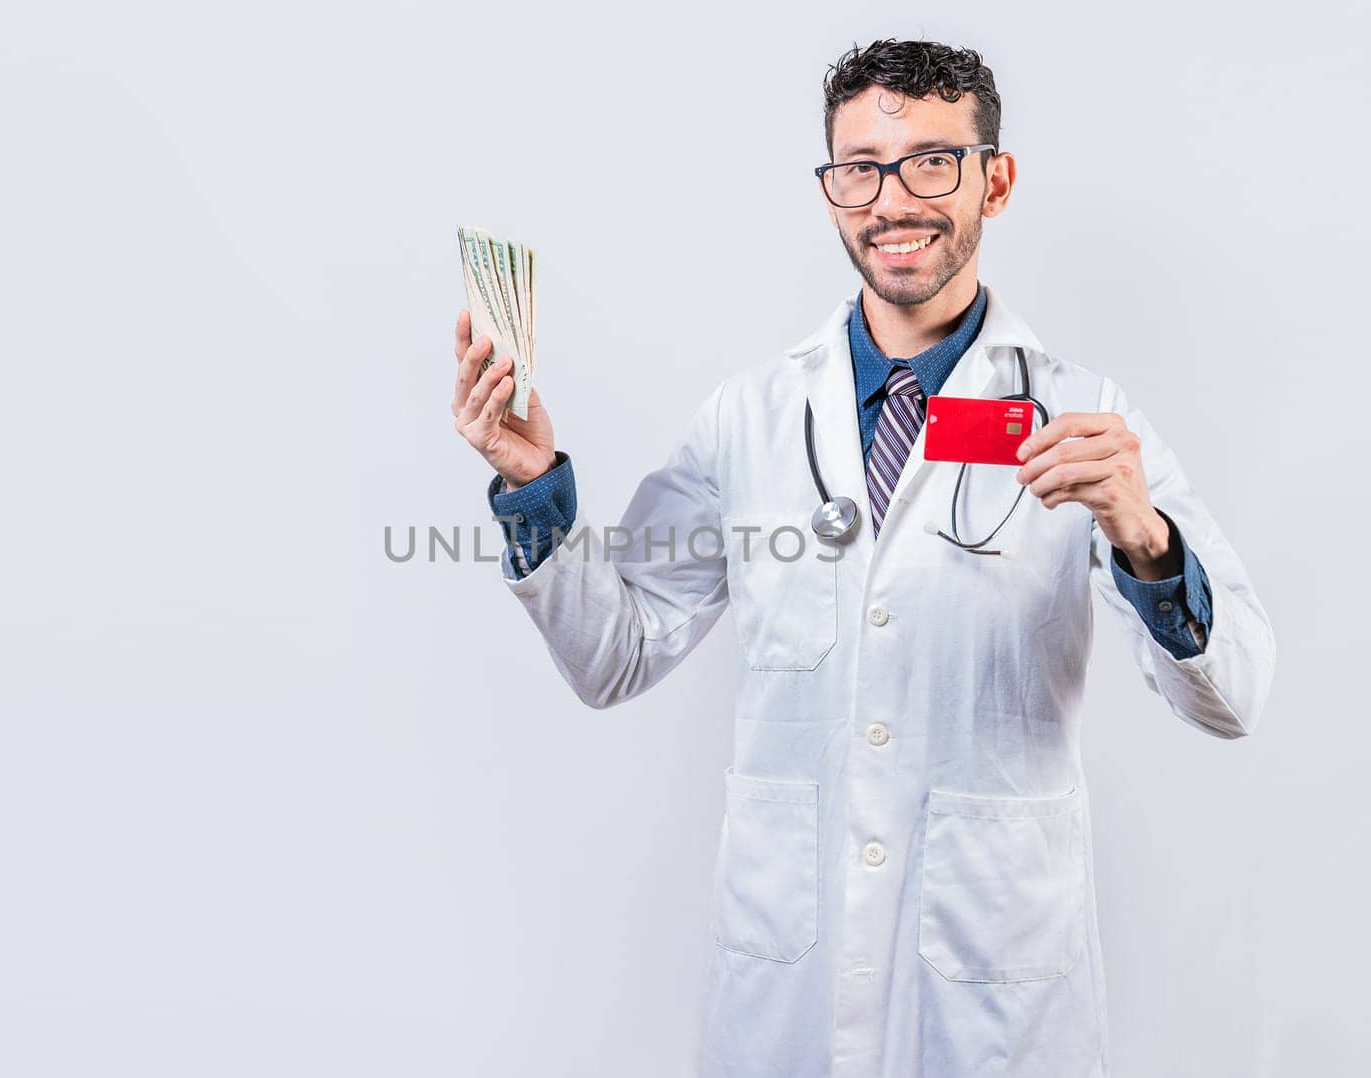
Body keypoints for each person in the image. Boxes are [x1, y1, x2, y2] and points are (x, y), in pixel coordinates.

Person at [448, 37, 1275, 1078]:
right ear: (831, 188)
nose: (893, 199)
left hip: (994, 994)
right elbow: (614, 653)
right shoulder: (749, 416)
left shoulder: (1087, 416)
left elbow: (1232, 693)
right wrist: (533, 488)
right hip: (788, 983)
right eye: (860, 168)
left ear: (994, 179)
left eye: (932, 161)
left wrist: (1146, 541)